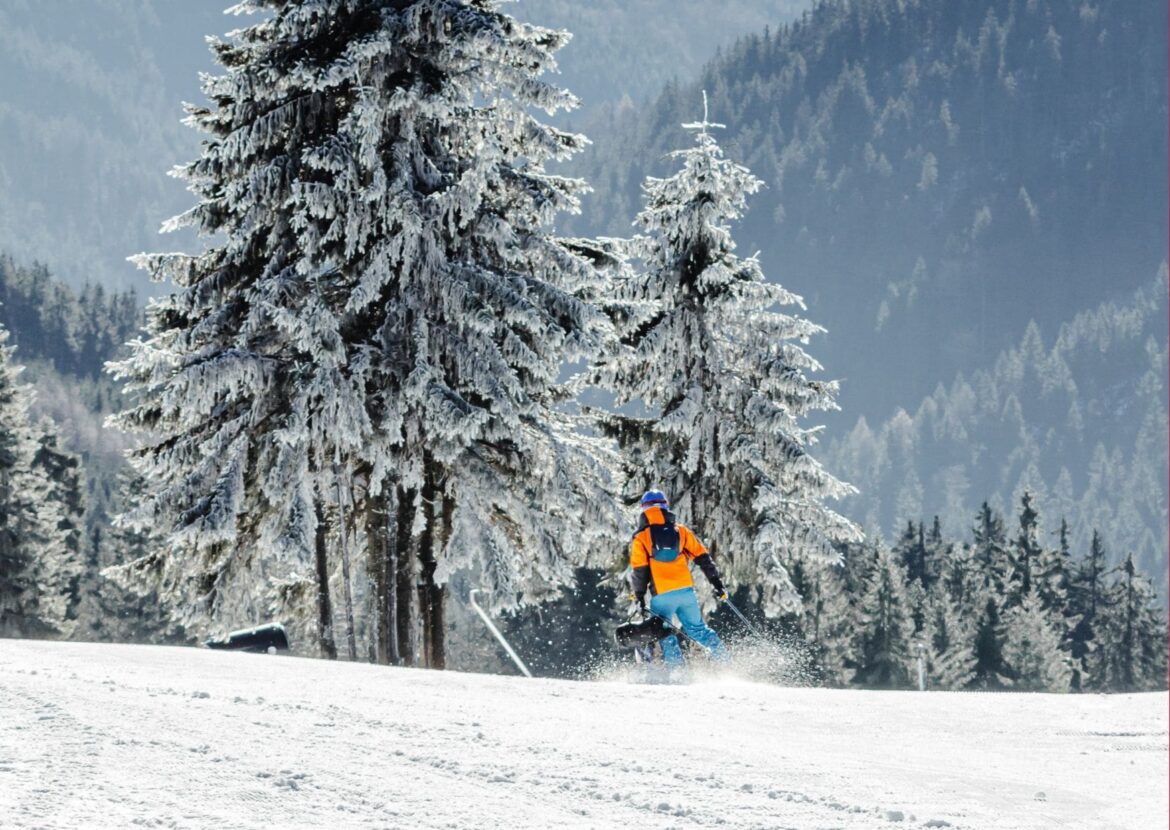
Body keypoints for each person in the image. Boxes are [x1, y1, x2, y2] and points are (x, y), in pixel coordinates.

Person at [628, 490, 729, 665]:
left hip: (662, 595)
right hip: (685, 592)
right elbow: (703, 558)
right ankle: (727, 664)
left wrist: (639, 597)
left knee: (664, 632)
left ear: (644, 510)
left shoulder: (641, 537)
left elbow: (640, 571)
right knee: (699, 630)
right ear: (666, 506)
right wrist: (717, 583)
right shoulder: (681, 531)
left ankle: (678, 672)